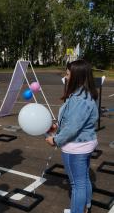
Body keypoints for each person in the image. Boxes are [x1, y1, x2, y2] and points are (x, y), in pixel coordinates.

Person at [45, 60, 98, 213]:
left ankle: (78, 210)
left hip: (76, 147)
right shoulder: (84, 94)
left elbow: (73, 128)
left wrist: (55, 140)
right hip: (84, 144)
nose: (66, 77)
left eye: (68, 74)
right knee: (83, 179)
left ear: (77, 76)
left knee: (77, 184)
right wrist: (57, 126)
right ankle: (85, 207)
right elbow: (74, 121)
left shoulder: (78, 99)